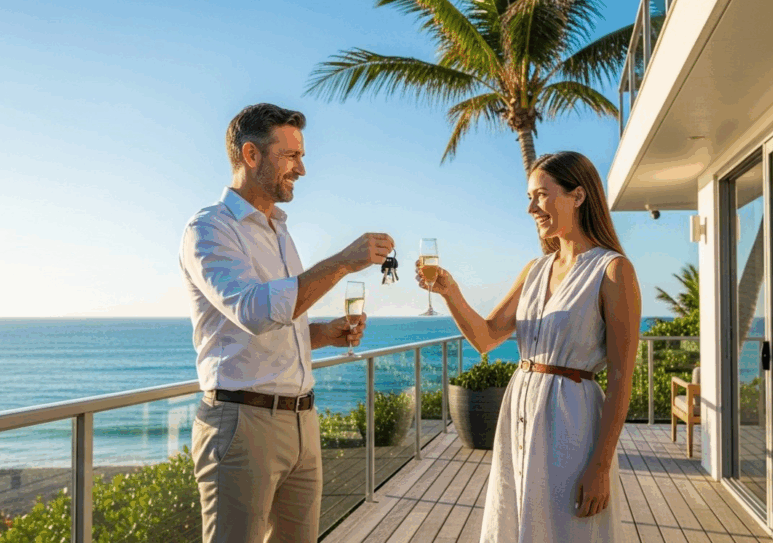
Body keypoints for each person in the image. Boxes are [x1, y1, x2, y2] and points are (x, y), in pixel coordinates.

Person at [179, 103, 395, 543]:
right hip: (243, 425)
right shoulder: (209, 229)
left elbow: (276, 326)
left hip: (302, 420)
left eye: (301, 155)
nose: (302, 168)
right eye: (291, 155)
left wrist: (321, 335)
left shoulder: (280, 231)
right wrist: (341, 263)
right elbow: (254, 311)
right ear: (251, 155)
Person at [416, 151, 641, 541]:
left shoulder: (613, 270)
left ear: (578, 196)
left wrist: (600, 467)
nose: (531, 208)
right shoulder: (535, 270)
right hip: (519, 414)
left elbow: (622, 377)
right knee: (515, 521)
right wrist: (449, 291)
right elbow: (485, 337)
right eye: (529, 197)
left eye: (540, 195)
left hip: (572, 421)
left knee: (568, 528)